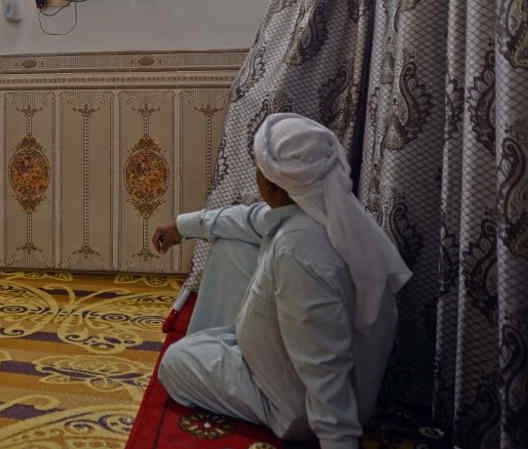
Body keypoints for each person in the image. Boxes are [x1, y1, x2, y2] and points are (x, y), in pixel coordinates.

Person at [151, 113, 412, 449]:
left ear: (272, 184)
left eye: (259, 169)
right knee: (232, 243)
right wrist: (181, 227)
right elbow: (250, 219)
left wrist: (339, 439)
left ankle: (235, 360)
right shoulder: (330, 212)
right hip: (298, 361)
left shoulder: (299, 252)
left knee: (175, 364)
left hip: (296, 405)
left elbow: (324, 363)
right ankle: (234, 347)